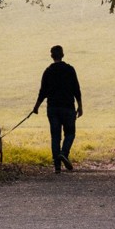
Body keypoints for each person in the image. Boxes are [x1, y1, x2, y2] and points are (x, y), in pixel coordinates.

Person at [33, 45, 83, 173]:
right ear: (63, 55)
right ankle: (64, 154)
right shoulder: (70, 70)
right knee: (70, 133)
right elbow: (76, 89)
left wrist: (36, 107)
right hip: (68, 108)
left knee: (55, 137)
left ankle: (57, 166)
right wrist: (80, 106)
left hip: (53, 108)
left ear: (51, 56)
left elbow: (42, 91)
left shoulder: (48, 71)